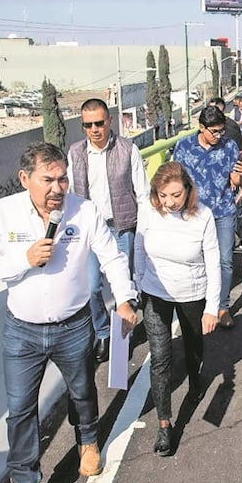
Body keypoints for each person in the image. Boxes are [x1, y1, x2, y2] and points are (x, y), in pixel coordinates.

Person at [0, 142, 140, 483]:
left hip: (73, 326)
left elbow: (113, 256)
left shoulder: (83, 211)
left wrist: (124, 299)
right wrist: (25, 259)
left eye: (62, 178)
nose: (57, 187)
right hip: (22, 332)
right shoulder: (3, 214)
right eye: (47, 179)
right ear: (24, 179)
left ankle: (87, 442)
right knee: (19, 411)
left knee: (83, 391)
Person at [135, 162, 220, 456]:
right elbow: (138, 246)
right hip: (154, 293)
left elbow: (213, 263)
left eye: (175, 195)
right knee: (160, 358)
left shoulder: (204, 217)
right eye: (162, 196)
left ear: (188, 190)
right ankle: (165, 424)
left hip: (191, 293)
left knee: (193, 346)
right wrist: (137, 282)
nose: (169, 203)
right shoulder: (147, 211)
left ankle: (196, 379)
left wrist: (212, 306)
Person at [67, 98, 147, 363]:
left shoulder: (127, 149)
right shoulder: (75, 153)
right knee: (90, 288)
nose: (94, 130)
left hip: (121, 228)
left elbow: (142, 193)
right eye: (87, 125)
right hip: (89, 232)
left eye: (99, 123)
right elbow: (69, 193)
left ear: (110, 121)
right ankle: (103, 332)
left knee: (122, 289)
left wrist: (144, 229)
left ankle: (122, 343)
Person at [170, 106, 242, 329]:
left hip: (223, 211)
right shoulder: (184, 147)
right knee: (195, 259)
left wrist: (238, 178)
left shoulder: (229, 146)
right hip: (194, 212)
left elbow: (235, 180)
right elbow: (177, 179)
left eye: (221, 131)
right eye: (214, 131)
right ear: (201, 127)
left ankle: (222, 307)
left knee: (225, 260)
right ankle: (198, 304)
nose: (218, 136)